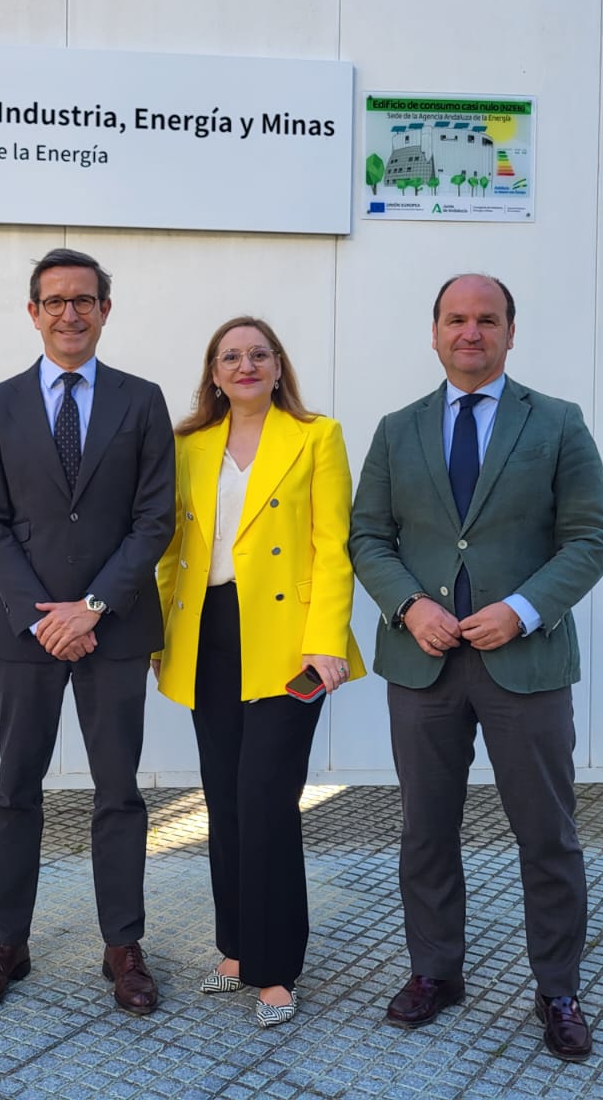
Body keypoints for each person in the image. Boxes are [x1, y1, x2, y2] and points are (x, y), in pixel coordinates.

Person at [348, 273, 603, 1060]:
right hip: (423, 663)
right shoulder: (398, 430)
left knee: (547, 835)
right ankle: (436, 972)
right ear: (434, 333)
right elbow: (368, 537)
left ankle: (557, 987)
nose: (471, 332)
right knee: (426, 830)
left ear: (509, 332)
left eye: (486, 320)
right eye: (456, 320)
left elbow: (590, 538)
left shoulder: (557, 424)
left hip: (524, 664)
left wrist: (523, 609)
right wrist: (408, 606)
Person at [0, 247, 176, 1016]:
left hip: (114, 630)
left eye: (83, 300)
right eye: (53, 301)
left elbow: (154, 520)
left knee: (118, 794)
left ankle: (123, 946)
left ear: (105, 311)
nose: (69, 313)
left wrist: (93, 607)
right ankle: (6, 943)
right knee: (14, 791)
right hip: (24, 634)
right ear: (33, 313)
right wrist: (44, 615)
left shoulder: (142, 400)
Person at [153, 316, 366, 1028]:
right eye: (230, 356)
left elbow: (334, 547)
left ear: (279, 367)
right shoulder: (188, 445)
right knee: (225, 796)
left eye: (258, 354)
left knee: (267, 799)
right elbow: (169, 548)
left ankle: (277, 969)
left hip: (286, 642)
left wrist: (326, 639)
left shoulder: (316, 436)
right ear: (213, 374)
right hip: (205, 632)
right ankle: (238, 949)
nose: (244, 365)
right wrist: (158, 637)